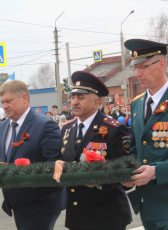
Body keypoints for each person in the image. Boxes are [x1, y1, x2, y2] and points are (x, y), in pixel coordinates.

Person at [121, 39, 168, 230]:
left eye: (143, 67)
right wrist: (128, 173)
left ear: (162, 64)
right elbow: (137, 148)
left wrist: (156, 171)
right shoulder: (137, 104)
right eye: (135, 68)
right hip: (148, 205)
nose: (138, 74)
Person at [61, 71, 132, 230]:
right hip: (77, 215)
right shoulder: (67, 129)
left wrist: (99, 181)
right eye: (73, 97)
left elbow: (126, 173)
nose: (74, 102)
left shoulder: (114, 129)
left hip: (107, 216)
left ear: (96, 102)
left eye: (81, 97)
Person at [0, 80, 66, 230]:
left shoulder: (45, 125)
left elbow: (53, 165)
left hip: (40, 204)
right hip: (16, 203)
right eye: (3, 102)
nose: (4, 106)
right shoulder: (2, 127)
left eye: (8, 101)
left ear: (24, 98)